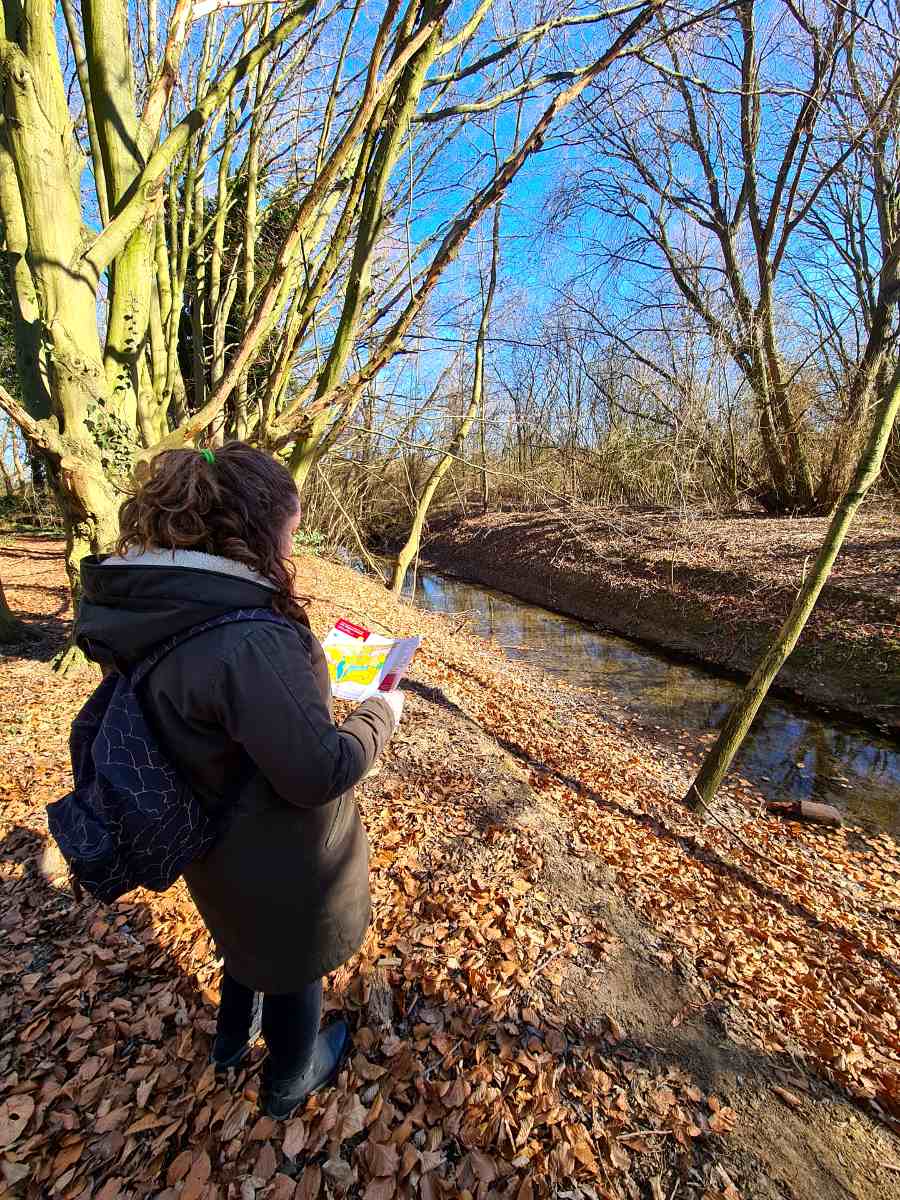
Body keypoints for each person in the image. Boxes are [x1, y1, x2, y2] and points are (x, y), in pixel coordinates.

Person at [73, 442, 402, 1119]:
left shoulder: (164, 604)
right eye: (292, 520)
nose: (297, 535)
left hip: (211, 840)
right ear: (256, 526)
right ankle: (290, 1077)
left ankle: (231, 1040)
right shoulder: (249, 637)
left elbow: (221, 708)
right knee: (293, 964)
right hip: (279, 855)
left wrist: (303, 683)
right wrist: (381, 711)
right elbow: (319, 772)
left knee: (241, 938)